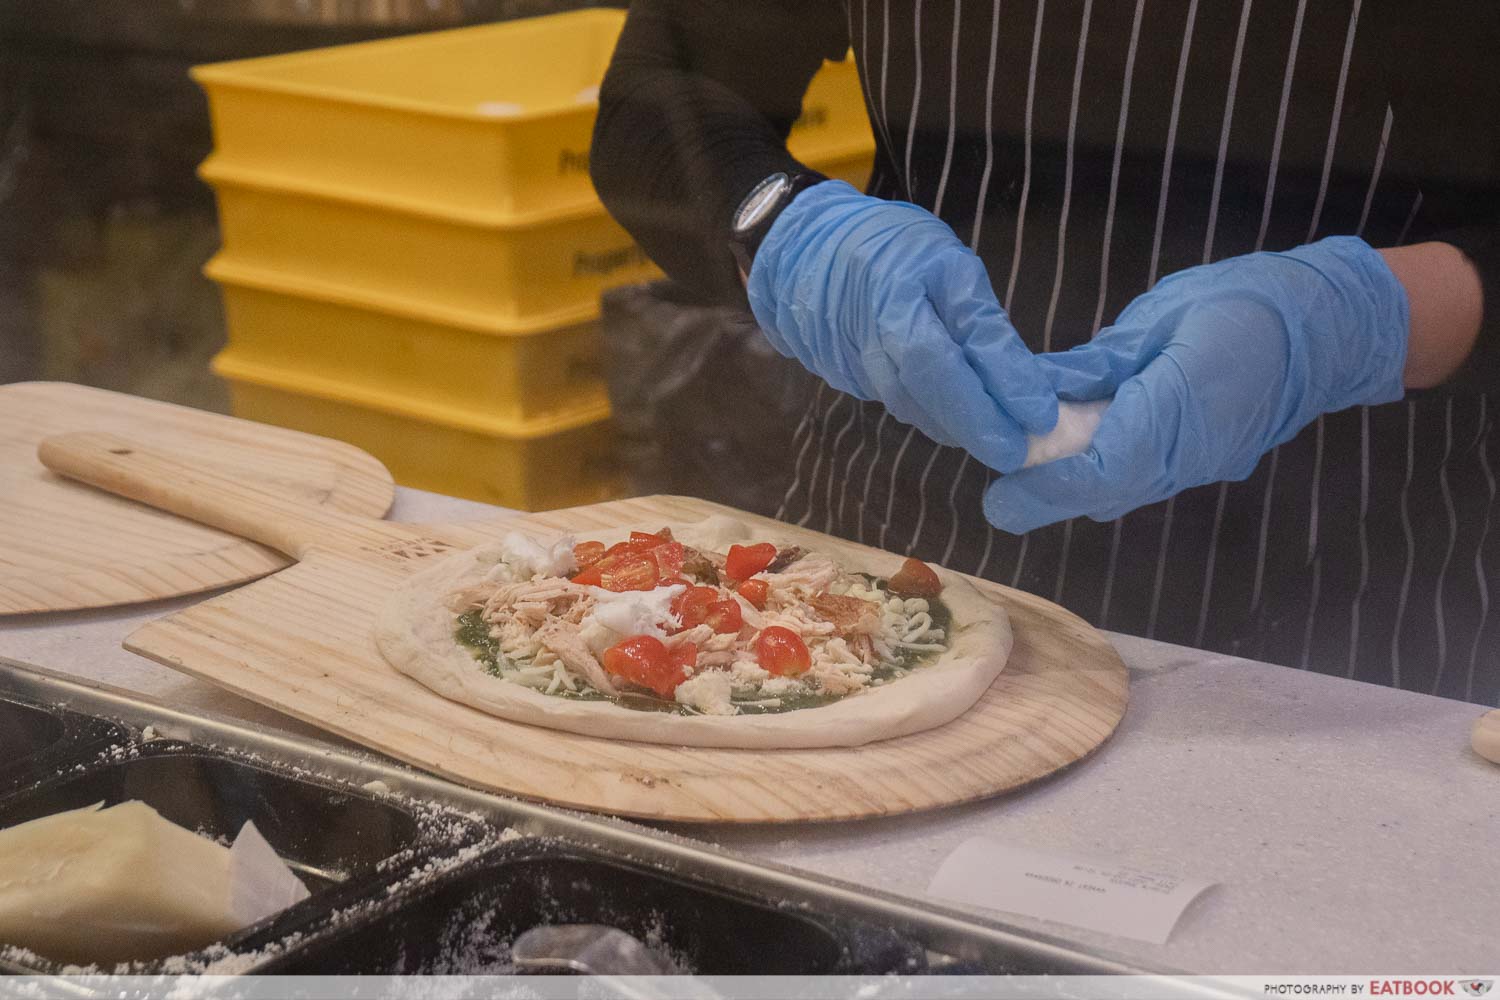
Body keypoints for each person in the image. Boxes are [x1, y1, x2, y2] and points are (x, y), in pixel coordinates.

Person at [590, 0, 1500, 703]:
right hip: (892, 560)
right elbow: (654, 93)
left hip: (1350, 597)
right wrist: (785, 227)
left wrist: (1354, 320)